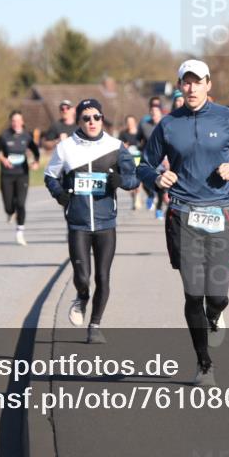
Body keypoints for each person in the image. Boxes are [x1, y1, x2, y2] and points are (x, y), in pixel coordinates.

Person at [138, 59, 229, 386]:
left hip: (220, 211)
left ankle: (216, 314)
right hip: (183, 212)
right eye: (185, 82)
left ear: (208, 85)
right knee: (192, 294)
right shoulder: (168, 125)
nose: (191, 88)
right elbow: (144, 166)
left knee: (216, 295)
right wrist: (158, 177)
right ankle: (204, 364)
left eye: (197, 81)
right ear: (179, 86)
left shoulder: (228, 118)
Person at [45, 98, 139, 344]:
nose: (92, 122)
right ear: (78, 121)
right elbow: (49, 176)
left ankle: (95, 326)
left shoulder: (116, 146)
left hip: (106, 223)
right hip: (78, 223)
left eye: (96, 116)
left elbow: (134, 178)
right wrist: (60, 195)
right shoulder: (66, 148)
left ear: (102, 118)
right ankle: (82, 296)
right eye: (86, 118)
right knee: (83, 277)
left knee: (103, 277)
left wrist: (120, 181)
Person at [0, 110, 41, 246]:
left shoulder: (27, 136)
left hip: (22, 174)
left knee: (21, 203)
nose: (16, 123)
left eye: (19, 120)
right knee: (9, 205)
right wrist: (2, 159)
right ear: (11, 122)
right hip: (7, 174)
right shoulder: (4, 136)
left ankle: (20, 232)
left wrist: (36, 162)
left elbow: (36, 151)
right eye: (14, 121)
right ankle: (10, 212)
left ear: (22, 122)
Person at [118, 115, 143, 209]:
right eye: (128, 122)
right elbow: (119, 146)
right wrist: (124, 146)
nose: (130, 124)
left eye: (131, 122)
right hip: (128, 159)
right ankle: (134, 197)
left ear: (135, 122)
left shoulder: (140, 133)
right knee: (130, 179)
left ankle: (137, 196)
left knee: (138, 178)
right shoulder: (123, 134)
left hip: (139, 157)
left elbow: (144, 143)